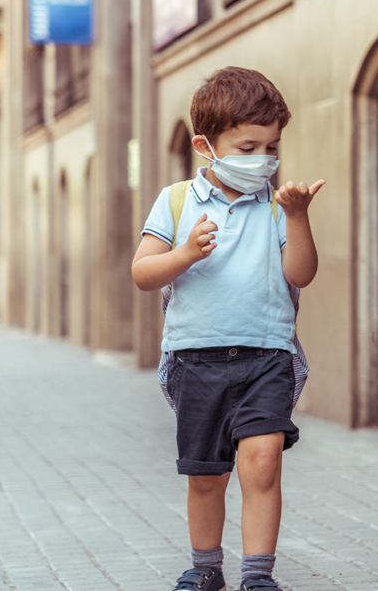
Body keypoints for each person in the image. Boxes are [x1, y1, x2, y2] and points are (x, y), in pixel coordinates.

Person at [132, 66, 324, 591]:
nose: (262, 159)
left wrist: (300, 217)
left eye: (271, 146)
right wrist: (186, 253)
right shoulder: (176, 201)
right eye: (246, 147)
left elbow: (300, 274)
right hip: (197, 358)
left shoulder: (279, 203)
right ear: (205, 145)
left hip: (267, 355)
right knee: (206, 474)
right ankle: (205, 567)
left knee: (262, 464)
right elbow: (143, 273)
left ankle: (258, 575)